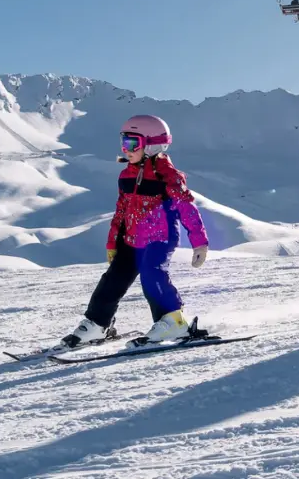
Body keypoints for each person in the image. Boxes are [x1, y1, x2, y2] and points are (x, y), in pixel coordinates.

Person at [62, 114, 209, 349]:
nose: (126, 149)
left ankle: (173, 320)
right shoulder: (126, 175)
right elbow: (121, 212)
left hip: (159, 238)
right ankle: (96, 323)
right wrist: (112, 243)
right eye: (123, 142)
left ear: (151, 145)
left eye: (132, 143)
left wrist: (199, 241)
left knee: (152, 274)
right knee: (113, 279)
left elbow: (186, 208)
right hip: (131, 239)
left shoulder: (168, 176)